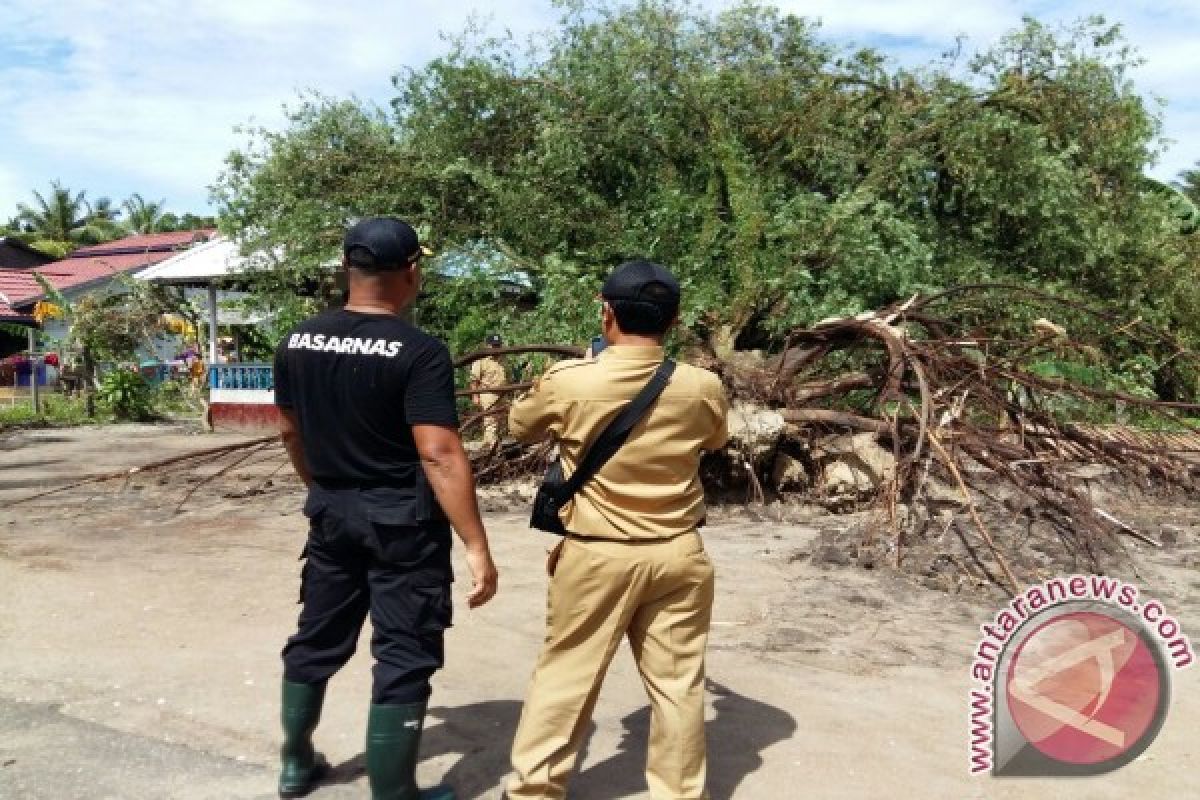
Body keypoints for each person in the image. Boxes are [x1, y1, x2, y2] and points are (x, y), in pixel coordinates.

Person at [273, 216, 499, 800]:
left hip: (331, 513)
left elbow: (291, 433)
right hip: (403, 524)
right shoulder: (418, 350)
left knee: (317, 635)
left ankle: (296, 764)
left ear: (348, 267)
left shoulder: (297, 340)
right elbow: (440, 453)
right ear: (412, 272)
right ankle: (395, 793)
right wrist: (476, 544)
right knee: (404, 650)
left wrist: (322, 488)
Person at [505, 260, 730, 800]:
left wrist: (586, 373)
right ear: (673, 321)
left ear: (606, 312)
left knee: (567, 676)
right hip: (678, 553)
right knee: (678, 685)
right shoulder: (702, 386)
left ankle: (534, 792)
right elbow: (715, 442)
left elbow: (519, 425)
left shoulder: (572, 381)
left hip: (597, 554)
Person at [468, 334, 508, 447]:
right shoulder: (481, 360)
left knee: (500, 422)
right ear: (488, 345)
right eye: (494, 345)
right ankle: (494, 449)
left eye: (498, 345)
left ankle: (490, 446)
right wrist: (475, 396)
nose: (496, 348)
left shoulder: (502, 359)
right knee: (491, 421)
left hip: (501, 394)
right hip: (488, 394)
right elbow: (474, 380)